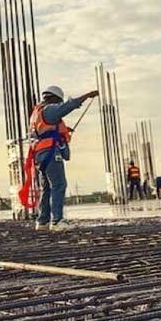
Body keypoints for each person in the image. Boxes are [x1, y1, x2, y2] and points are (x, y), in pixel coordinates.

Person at [29, 85, 99, 231]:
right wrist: (87, 95)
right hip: (50, 152)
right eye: (58, 101)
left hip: (40, 154)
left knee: (47, 188)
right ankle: (57, 221)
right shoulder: (50, 109)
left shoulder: (38, 112)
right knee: (59, 185)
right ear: (54, 98)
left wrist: (65, 130)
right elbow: (69, 105)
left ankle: (42, 221)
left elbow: (44, 130)